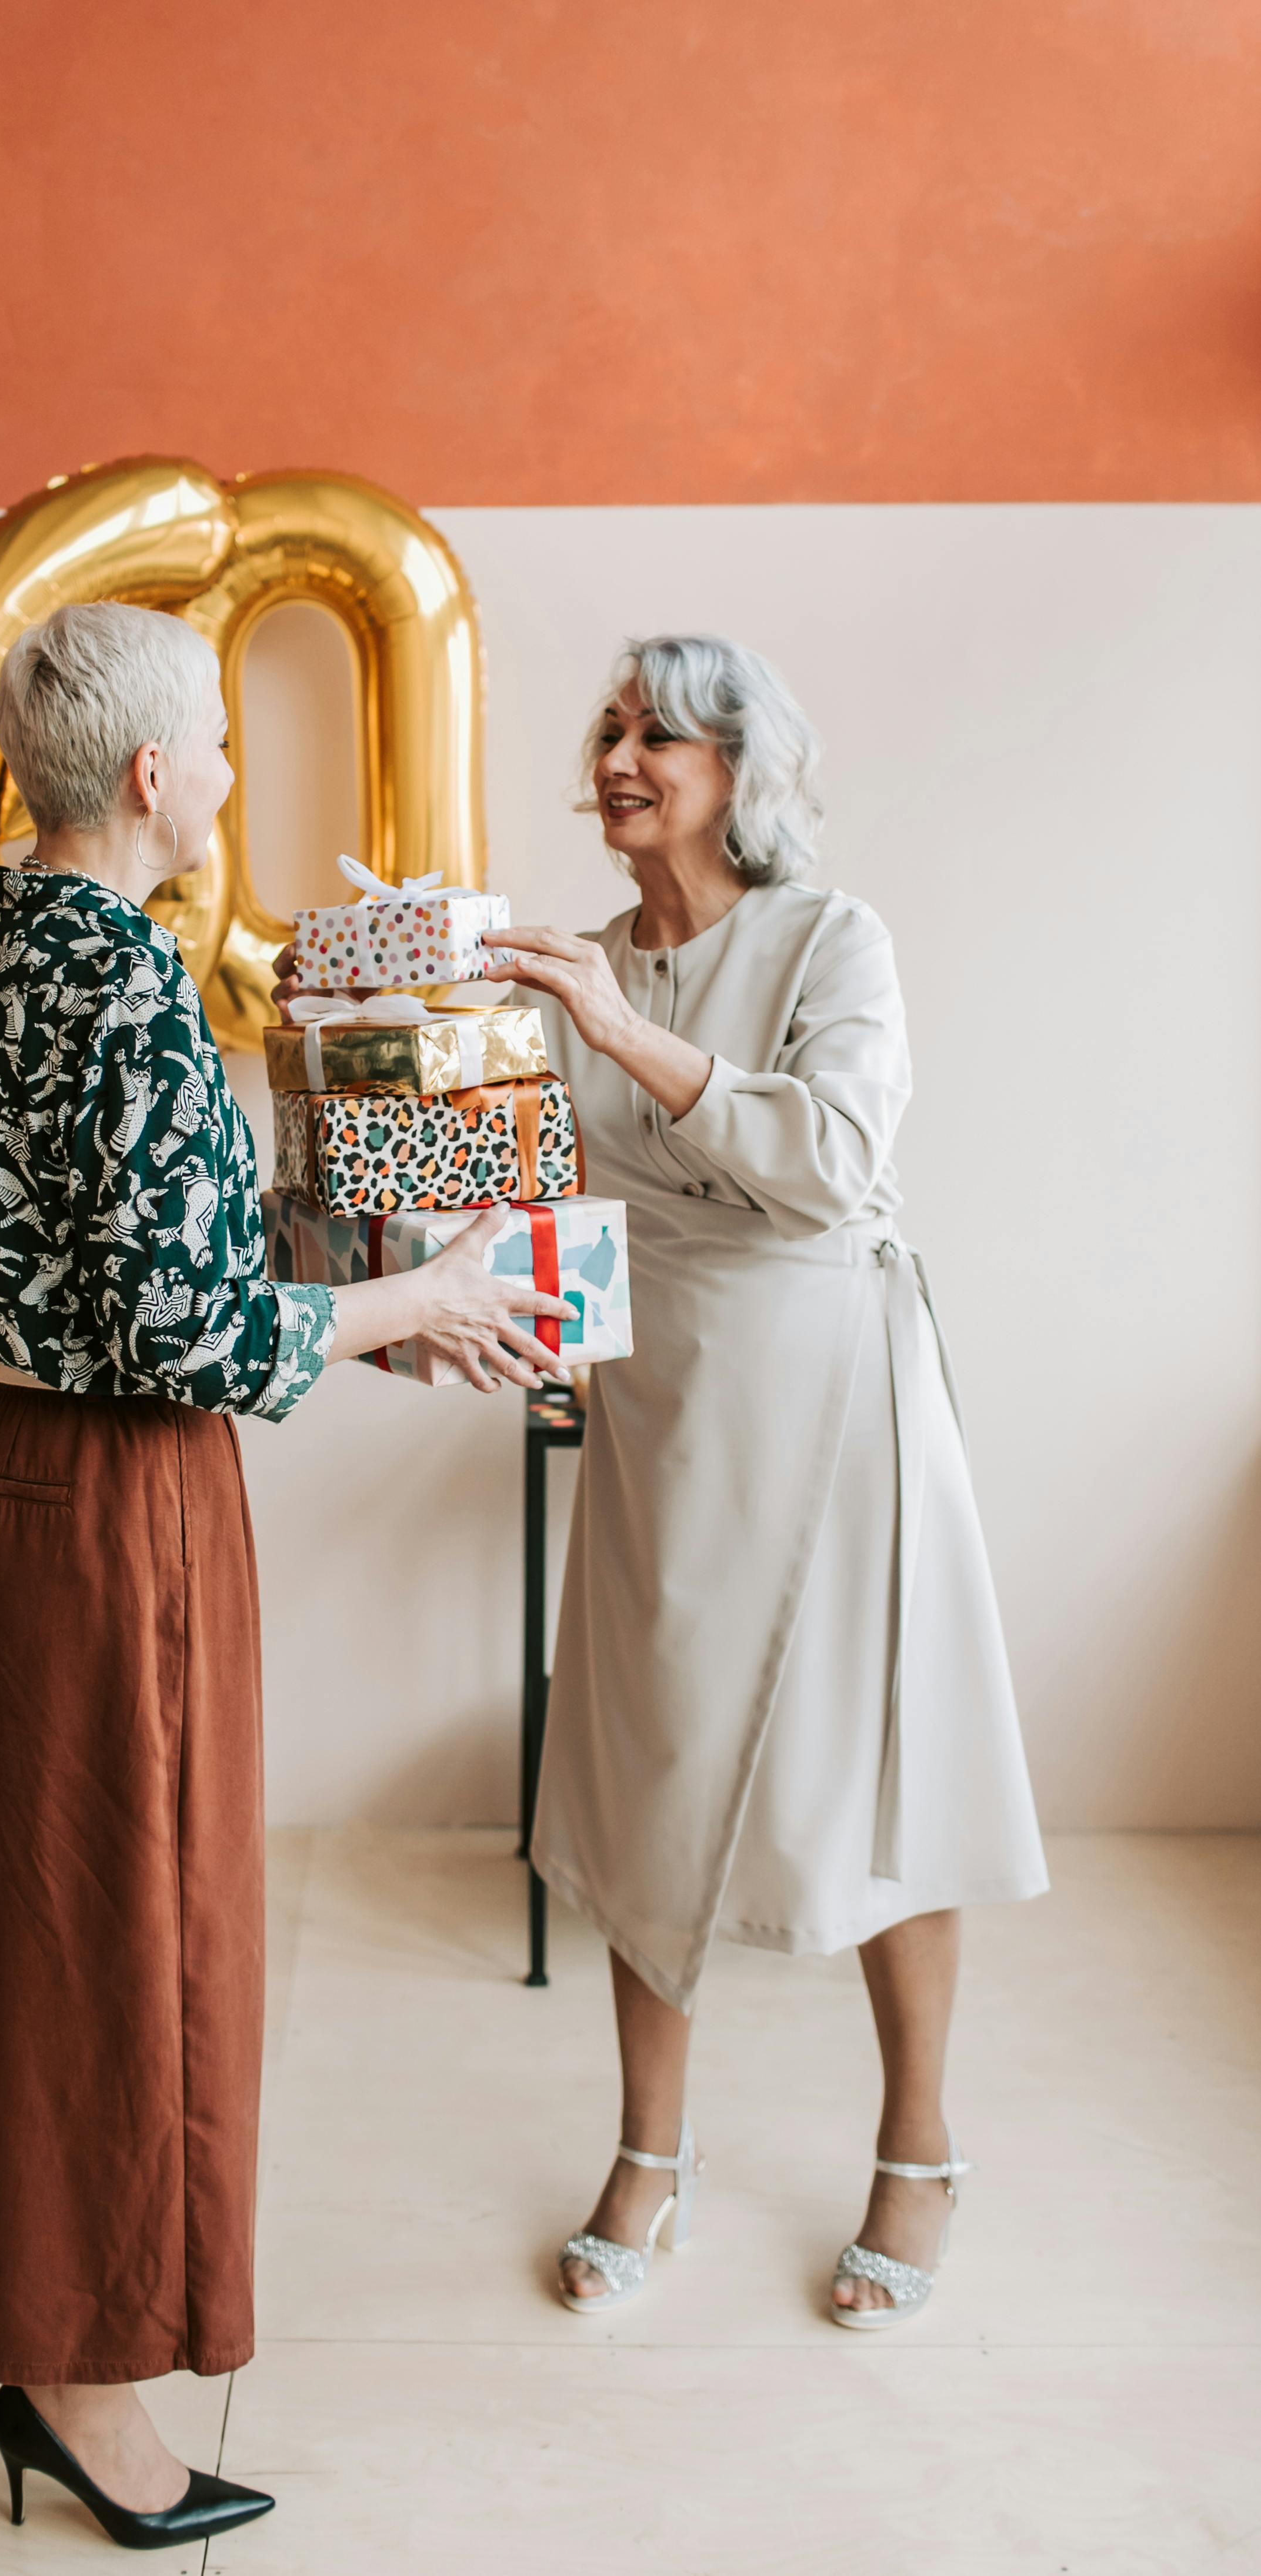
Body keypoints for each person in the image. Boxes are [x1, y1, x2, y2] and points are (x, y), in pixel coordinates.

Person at [0, 602, 572, 2545]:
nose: (228, 775)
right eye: (217, 745)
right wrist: (432, 1287)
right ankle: (80, 2388)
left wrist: (370, 1253)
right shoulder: (125, 979)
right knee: (112, 1944)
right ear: (153, 777)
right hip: (113, 1497)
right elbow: (187, 1331)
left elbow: (138, 1262)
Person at [493, 634, 1047, 2328]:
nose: (620, 752)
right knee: (639, 1771)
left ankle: (920, 2150)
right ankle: (649, 2153)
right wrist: (502, 1316)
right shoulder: (573, 962)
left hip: (833, 1399)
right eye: (608, 723)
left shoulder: (829, 939)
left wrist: (610, 1028)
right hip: (657, 1406)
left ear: (741, 769)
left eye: (659, 728)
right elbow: (556, 1192)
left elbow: (834, 1161)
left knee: (884, 1773)